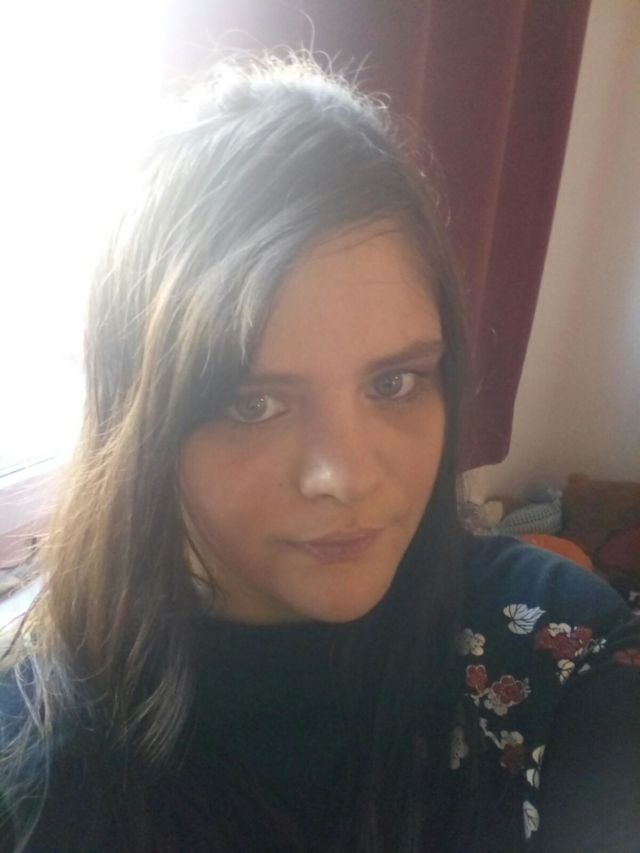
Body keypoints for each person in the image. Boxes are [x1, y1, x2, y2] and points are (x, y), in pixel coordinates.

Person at [1, 54, 639, 853]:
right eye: (253, 403)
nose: (347, 476)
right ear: (138, 427)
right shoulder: (32, 750)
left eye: (394, 382)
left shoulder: (562, 656)